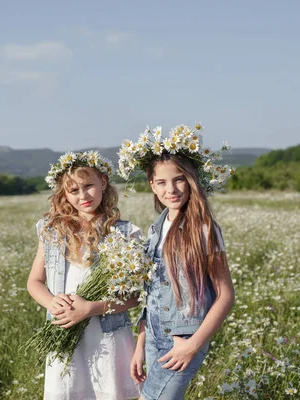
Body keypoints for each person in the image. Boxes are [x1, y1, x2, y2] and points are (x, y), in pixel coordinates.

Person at [118, 124, 236, 399]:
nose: (170, 189)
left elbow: (226, 296)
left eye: (179, 179)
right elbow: (154, 295)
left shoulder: (204, 228)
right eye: (161, 182)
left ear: (192, 179)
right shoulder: (156, 229)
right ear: (152, 185)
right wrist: (141, 343)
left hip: (183, 339)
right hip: (155, 336)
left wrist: (193, 345)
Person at [27, 151, 142, 400]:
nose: (83, 196)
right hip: (65, 330)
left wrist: (91, 308)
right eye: (73, 191)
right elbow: (34, 281)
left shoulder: (124, 233)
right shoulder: (53, 230)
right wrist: (50, 302)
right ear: (64, 194)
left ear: (103, 181)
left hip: (107, 336)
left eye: (88, 185)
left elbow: (135, 297)